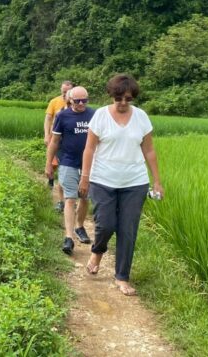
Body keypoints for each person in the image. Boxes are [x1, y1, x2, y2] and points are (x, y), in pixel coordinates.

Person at [79, 74, 164, 296]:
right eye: (119, 98)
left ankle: (122, 277)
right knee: (105, 224)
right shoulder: (100, 116)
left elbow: (149, 150)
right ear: (111, 96)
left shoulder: (142, 117)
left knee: (128, 229)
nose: (124, 103)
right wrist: (85, 177)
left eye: (128, 98)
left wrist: (157, 181)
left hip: (134, 182)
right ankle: (98, 251)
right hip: (102, 179)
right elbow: (89, 149)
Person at [45, 86, 95, 255]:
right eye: (77, 101)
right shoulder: (63, 116)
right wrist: (48, 163)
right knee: (70, 198)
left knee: (85, 198)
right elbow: (54, 141)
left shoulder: (94, 115)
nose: (81, 104)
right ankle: (69, 237)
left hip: (89, 165)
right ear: (70, 100)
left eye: (84, 101)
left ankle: (80, 226)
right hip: (68, 162)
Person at [44, 80, 74, 212]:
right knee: (55, 165)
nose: (65, 94)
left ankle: (67, 200)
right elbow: (48, 119)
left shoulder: (77, 104)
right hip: (56, 139)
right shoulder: (54, 102)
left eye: (68, 91)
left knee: (65, 169)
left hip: (71, 142)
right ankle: (52, 182)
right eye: (64, 91)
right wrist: (47, 135)